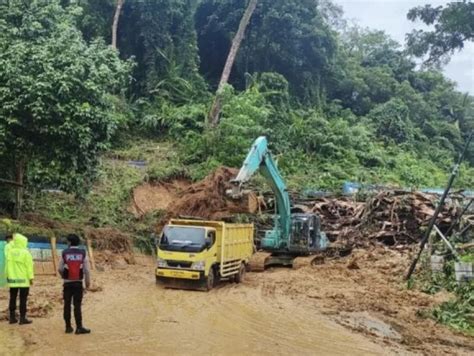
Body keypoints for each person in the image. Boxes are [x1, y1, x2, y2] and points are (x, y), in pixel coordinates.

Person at [58, 234, 91, 334]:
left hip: (67, 283)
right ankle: (79, 327)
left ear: (69, 242)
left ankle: (68, 327)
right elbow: (87, 270)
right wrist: (87, 284)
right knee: (77, 305)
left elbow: (59, 268)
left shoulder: (64, 253)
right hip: (78, 283)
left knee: (67, 305)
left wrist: (64, 276)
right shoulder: (83, 253)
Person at [6, 233, 34, 324]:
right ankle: (22, 318)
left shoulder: (10, 252)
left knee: (12, 298)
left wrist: (7, 276)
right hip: (23, 280)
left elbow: (7, 266)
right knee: (23, 299)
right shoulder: (26, 253)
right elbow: (29, 267)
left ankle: (12, 317)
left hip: (13, 279)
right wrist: (31, 278)